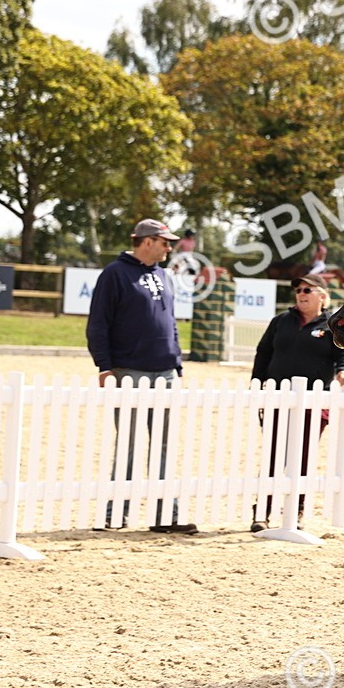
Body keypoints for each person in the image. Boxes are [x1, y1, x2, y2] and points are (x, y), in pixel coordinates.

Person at [86, 219, 196, 534]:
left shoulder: (164, 275)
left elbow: (170, 321)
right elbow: (98, 323)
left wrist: (176, 361)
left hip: (165, 370)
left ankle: (166, 516)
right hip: (129, 369)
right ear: (147, 241)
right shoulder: (114, 274)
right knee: (129, 445)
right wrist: (104, 366)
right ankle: (114, 514)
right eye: (165, 242)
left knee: (164, 445)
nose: (169, 247)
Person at [251, 273, 344, 531]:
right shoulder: (280, 321)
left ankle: (295, 512)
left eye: (308, 289)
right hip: (277, 399)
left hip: (313, 403)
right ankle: (262, 513)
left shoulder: (333, 324)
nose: (301, 293)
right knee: (273, 456)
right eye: (299, 289)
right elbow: (263, 352)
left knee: (302, 458)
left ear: (322, 295)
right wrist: (257, 385)